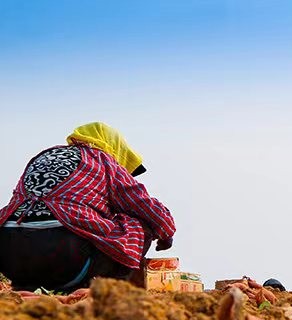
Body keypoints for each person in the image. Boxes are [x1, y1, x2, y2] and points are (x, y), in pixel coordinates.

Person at [0, 122, 175, 292]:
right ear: (113, 147)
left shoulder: (43, 157)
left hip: (9, 253)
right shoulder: (103, 159)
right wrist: (165, 233)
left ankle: (23, 287)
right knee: (140, 223)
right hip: (66, 255)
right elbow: (145, 206)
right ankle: (108, 289)